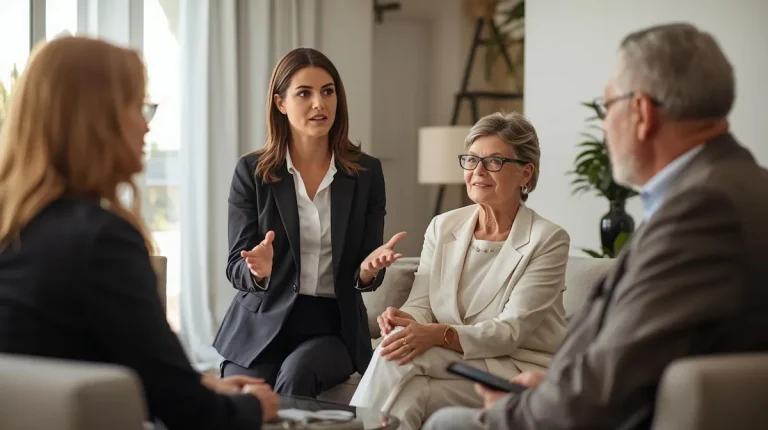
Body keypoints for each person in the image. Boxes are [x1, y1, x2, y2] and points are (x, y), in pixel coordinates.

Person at [424, 22, 768, 430]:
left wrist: (519, 408)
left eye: (607, 107)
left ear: (641, 112)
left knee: (447, 423)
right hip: (581, 394)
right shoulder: (737, 185)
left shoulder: (704, 210)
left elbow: (611, 386)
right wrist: (553, 384)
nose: (604, 127)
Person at [0, 36, 278, 429]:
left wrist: (198, 384)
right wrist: (254, 408)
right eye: (137, 106)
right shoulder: (101, 241)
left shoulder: (15, 230)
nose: (146, 124)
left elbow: (71, 355)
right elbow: (190, 413)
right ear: (97, 120)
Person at [350, 111, 571, 430]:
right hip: (457, 365)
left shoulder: (548, 240)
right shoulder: (443, 226)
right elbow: (422, 305)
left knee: (395, 351)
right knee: (410, 393)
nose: (478, 171)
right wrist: (407, 320)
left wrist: (436, 334)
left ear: (526, 173)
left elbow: (510, 332)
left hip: (516, 368)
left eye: (494, 161)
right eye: (471, 159)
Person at [213, 47, 405, 398]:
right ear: (280, 103)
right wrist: (257, 270)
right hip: (260, 322)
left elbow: (366, 272)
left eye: (328, 91)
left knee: (296, 375)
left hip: (332, 327)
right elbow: (235, 268)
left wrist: (367, 271)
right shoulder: (252, 172)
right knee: (245, 399)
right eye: (305, 93)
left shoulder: (366, 174)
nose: (320, 103)